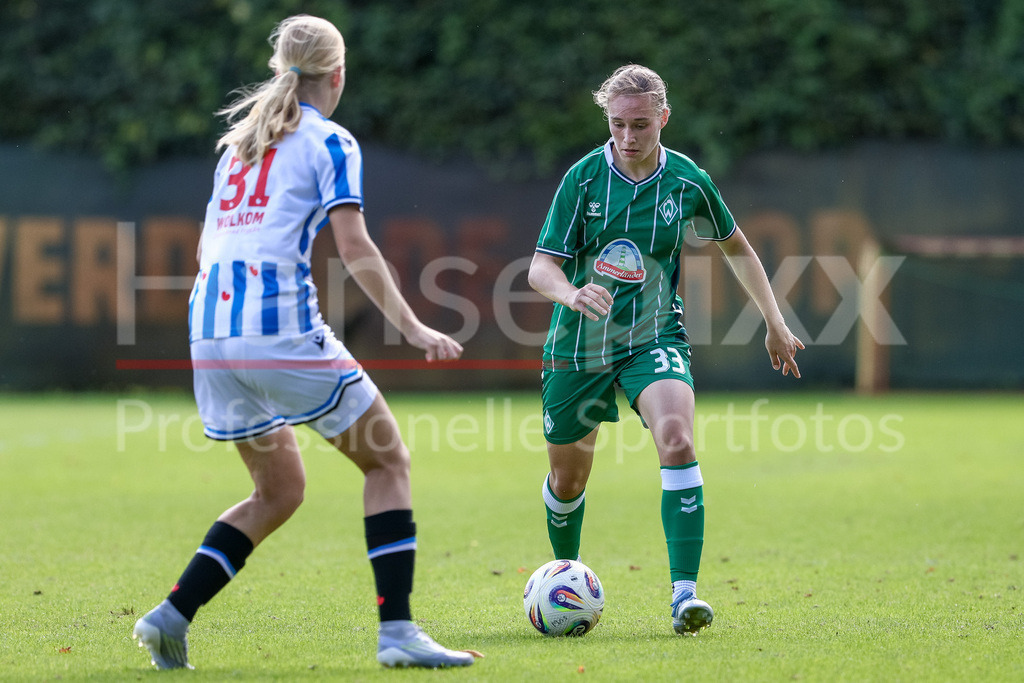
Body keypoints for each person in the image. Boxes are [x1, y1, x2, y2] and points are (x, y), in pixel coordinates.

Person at [132, 15, 478, 670]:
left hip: (209, 333)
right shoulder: (331, 140)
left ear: (280, 71)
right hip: (277, 332)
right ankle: (398, 631)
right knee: (388, 461)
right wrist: (413, 326)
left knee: (280, 489)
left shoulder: (240, 145)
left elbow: (212, 248)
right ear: (338, 76)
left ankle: (170, 616)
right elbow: (355, 246)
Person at [527, 64, 804, 636]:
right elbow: (540, 268)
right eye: (618, 124)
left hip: (653, 338)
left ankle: (685, 597)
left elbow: (740, 249)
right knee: (568, 481)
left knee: (677, 439)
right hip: (577, 347)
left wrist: (775, 321)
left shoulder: (687, 180)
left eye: (641, 125)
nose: (628, 138)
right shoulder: (582, 180)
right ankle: (566, 572)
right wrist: (571, 293)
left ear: (663, 118)